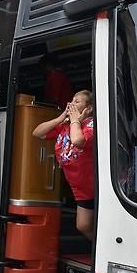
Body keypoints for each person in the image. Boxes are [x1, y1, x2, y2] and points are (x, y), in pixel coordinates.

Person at [32, 90, 95, 240]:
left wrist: (75, 121)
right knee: (84, 226)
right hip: (80, 188)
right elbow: (37, 133)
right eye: (72, 100)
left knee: (87, 224)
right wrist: (60, 118)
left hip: (93, 186)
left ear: (89, 108)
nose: (72, 104)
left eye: (77, 101)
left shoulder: (91, 124)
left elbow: (78, 141)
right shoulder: (65, 126)